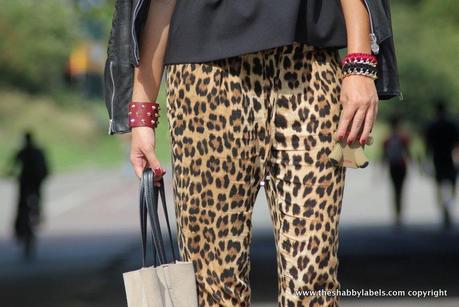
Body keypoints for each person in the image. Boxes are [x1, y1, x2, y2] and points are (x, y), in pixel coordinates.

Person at [104, 0, 401, 305]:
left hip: (307, 67)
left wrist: (360, 65)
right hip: (206, 77)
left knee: (313, 278)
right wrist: (142, 113)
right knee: (214, 284)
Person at [11, 131, 49, 258]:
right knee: (36, 200)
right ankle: (37, 214)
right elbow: (46, 168)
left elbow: (12, 166)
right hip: (35, 182)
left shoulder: (22, 151)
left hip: (26, 181)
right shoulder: (38, 151)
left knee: (21, 205)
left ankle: (21, 227)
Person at [424, 99, 459, 229]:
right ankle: (448, 206)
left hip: (438, 160)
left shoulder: (432, 127)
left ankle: (444, 209)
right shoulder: (452, 125)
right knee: (452, 186)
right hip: (450, 160)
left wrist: (426, 162)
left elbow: (428, 147)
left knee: (439, 186)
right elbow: (456, 145)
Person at [382, 114, 411, 226]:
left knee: (395, 190)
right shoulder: (403, 136)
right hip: (402, 165)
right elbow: (407, 152)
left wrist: (380, 169)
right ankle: (399, 213)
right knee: (401, 189)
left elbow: (384, 155)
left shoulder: (387, 137)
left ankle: (397, 214)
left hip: (392, 165)